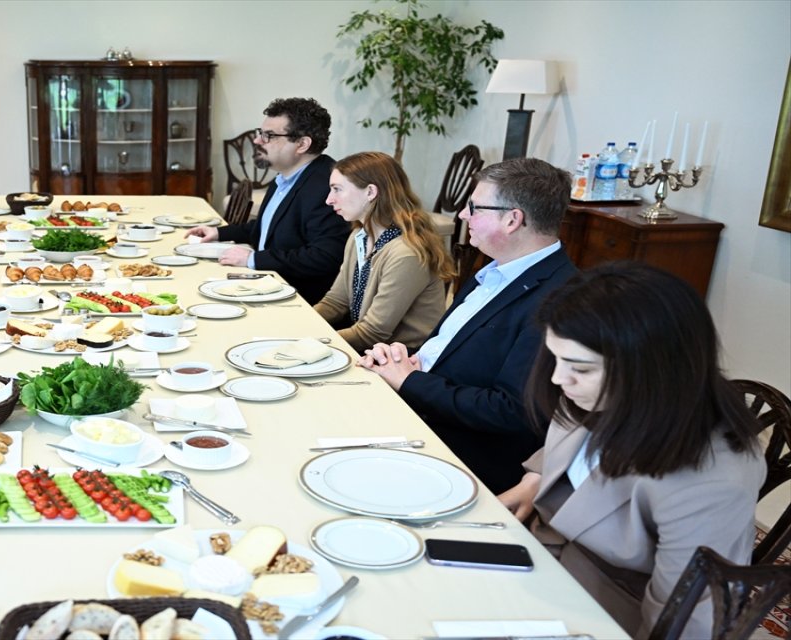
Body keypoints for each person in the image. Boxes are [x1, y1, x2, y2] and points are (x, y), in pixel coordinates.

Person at [497, 262, 764, 638]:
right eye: (555, 358)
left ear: (649, 367)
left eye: (579, 368)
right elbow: (574, 446)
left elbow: (684, 619)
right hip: (541, 559)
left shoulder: (712, 480)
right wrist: (535, 480)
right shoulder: (597, 391)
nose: (558, 378)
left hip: (610, 609)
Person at [359, 157, 578, 493]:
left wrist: (410, 381)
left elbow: (511, 411)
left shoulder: (560, 299)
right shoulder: (494, 269)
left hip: (459, 449)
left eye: (474, 207)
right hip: (421, 405)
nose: (462, 215)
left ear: (512, 220)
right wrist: (408, 359)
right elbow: (455, 349)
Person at [185, 97, 349, 303]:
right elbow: (268, 229)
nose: (257, 141)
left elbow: (324, 257)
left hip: (298, 300)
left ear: (302, 144)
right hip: (266, 286)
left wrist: (252, 259)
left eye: (268, 136)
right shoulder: (285, 176)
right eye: (260, 133)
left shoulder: (326, 187)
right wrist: (218, 232)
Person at [313, 152, 454, 353]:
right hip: (373, 350)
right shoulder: (358, 237)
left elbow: (372, 333)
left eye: (337, 189)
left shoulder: (406, 254)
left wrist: (308, 341)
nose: (329, 200)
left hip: (404, 359)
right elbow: (336, 302)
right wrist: (301, 324)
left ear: (370, 192)